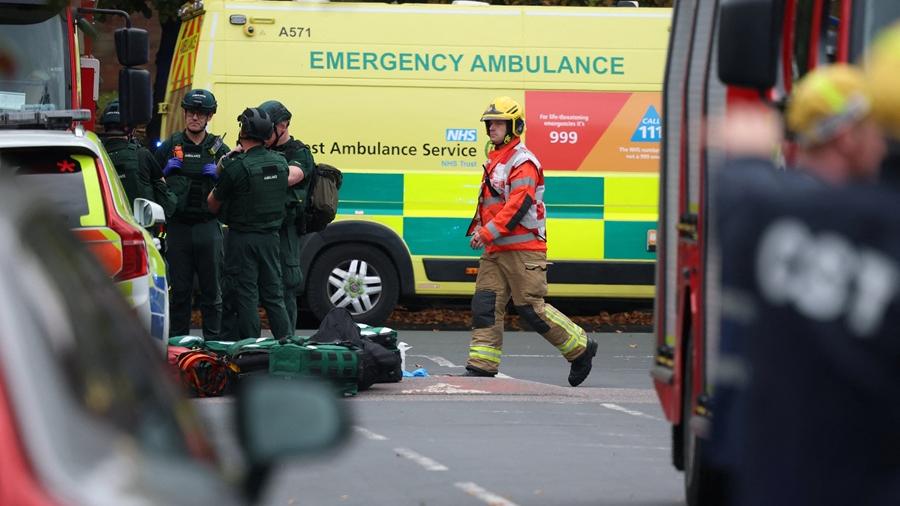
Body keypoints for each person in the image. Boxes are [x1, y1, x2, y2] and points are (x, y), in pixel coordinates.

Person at [463, 96, 597, 386]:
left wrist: (486, 232)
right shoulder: (497, 159)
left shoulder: (523, 161)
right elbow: (494, 204)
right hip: (496, 249)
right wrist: (482, 228)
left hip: (523, 250)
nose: (491, 127)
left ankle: (581, 348)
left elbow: (517, 206)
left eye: (499, 123)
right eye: (490, 122)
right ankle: (482, 365)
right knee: (486, 305)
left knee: (530, 309)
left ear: (515, 126)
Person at [207, 107, 291, 341]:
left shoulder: (236, 166)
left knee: (247, 296)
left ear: (243, 131)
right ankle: (287, 344)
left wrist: (226, 162)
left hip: (242, 240)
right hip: (271, 238)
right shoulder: (281, 163)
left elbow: (212, 204)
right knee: (274, 295)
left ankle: (251, 348)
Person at [155, 89, 230, 339]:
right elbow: (151, 181)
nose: (194, 118)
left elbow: (235, 187)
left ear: (209, 117)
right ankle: (179, 345)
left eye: (200, 113)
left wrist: (219, 176)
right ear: (184, 114)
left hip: (208, 227)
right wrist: (164, 171)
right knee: (179, 293)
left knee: (212, 293)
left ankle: (214, 345)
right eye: (190, 112)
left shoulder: (220, 149)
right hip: (178, 228)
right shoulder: (170, 146)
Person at [258, 100, 315, 332]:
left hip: (285, 230)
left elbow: (292, 176)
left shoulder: (299, 152)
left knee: (284, 287)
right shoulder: (260, 149)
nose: (262, 134)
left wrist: (256, 169)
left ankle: (286, 341)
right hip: (259, 228)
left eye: (267, 128)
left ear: (283, 126)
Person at [98, 100, 176, 217]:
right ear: (131, 129)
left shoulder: (95, 156)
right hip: (138, 226)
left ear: (105, 128)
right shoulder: (142, 155)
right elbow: (167, 201)